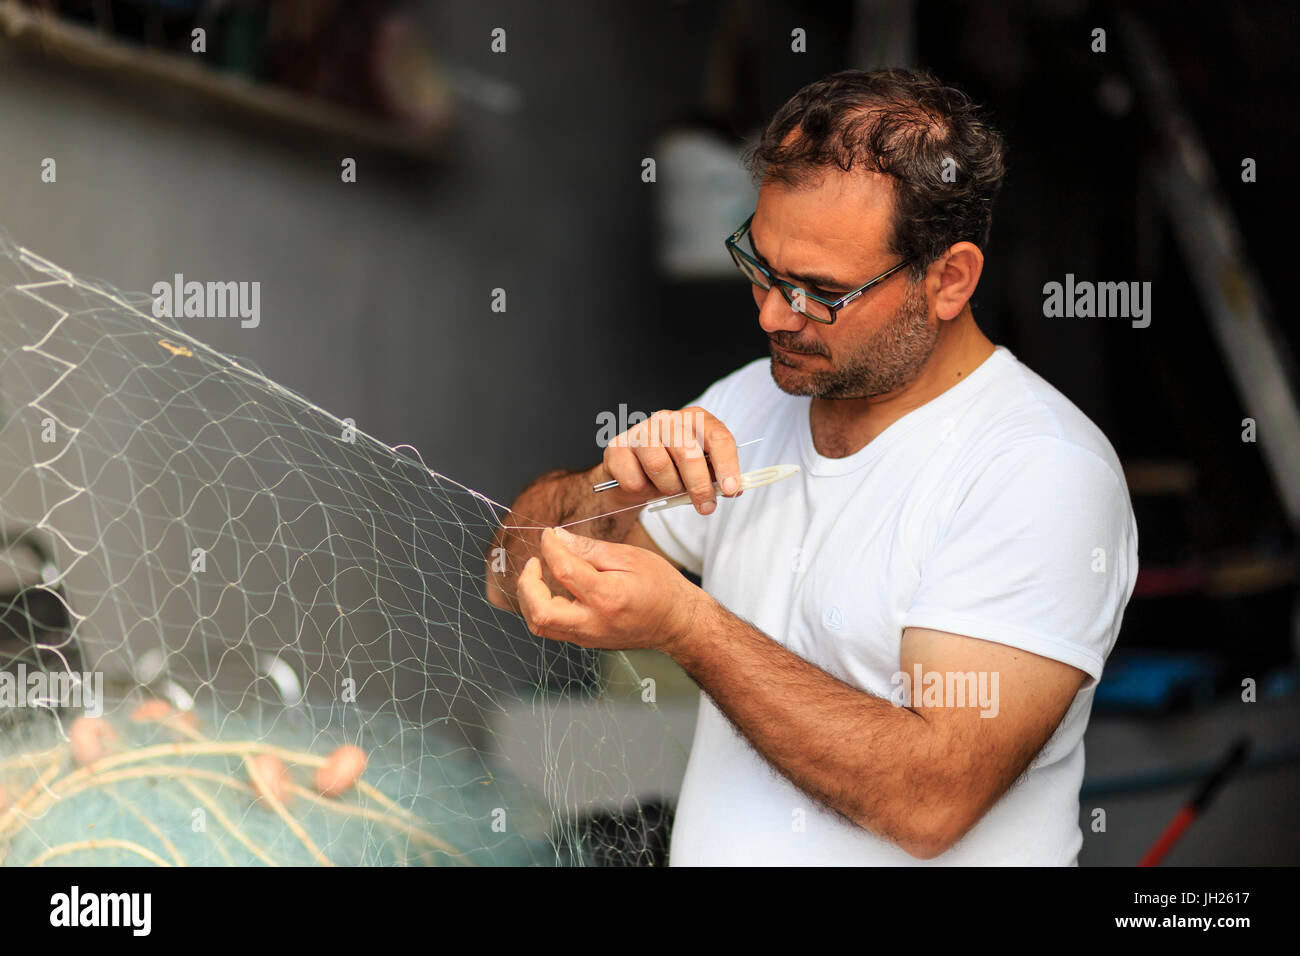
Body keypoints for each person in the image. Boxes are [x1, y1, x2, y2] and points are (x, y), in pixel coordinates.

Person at [486, 68, 1138, 865]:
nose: (769, 314)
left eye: (818, 292)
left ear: (949, 279)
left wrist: (691, 630)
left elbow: (930, 800)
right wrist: (606, 489)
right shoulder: (751, 401)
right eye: (760, 266)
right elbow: (512, 575)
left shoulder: (1039, 472)